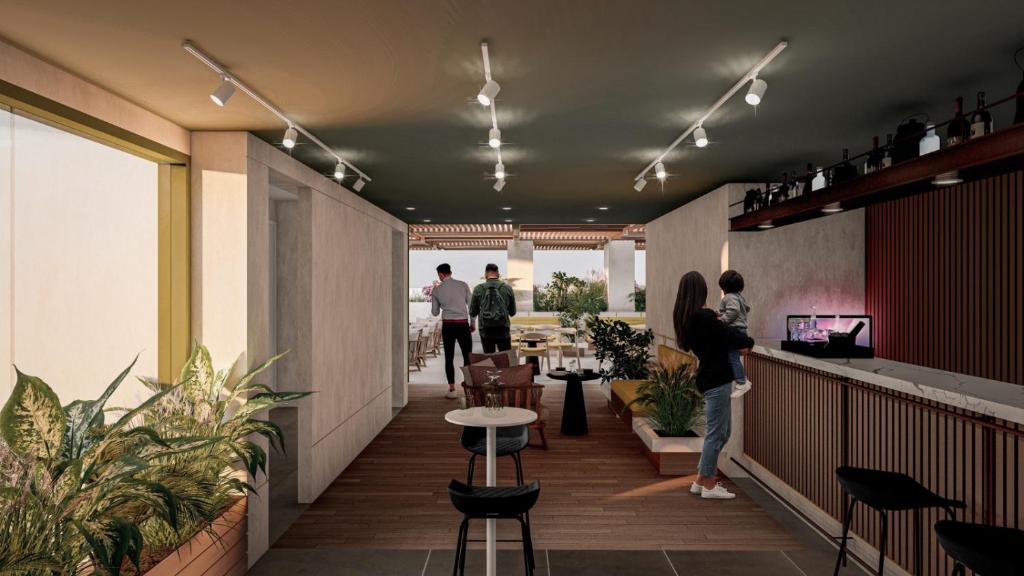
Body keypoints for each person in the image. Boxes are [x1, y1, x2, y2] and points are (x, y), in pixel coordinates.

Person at [673, 271, 753, 500]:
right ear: (702, 291)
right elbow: (731, 337)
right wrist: (749, 343)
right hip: (716, 379)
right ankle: (708, 484)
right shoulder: (704, 318)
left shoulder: (689, 318)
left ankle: (701, 480)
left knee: (722, 432)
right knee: (717, 434)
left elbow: (721, 336)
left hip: (711, 378)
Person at [430, 263, 473, 399]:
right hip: (462, 324)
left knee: (449, 357)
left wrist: (439, 302)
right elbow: (471, 306)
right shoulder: (463, 285)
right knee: (468, 356)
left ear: (440, 274)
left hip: (448, 326)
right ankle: (468, 387)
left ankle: (452, 389)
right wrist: (473, 323)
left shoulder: (437, 290)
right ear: (450, 272)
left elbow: (435, 313)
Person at [718, 270, 753, 398]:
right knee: (733, 357)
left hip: (735, 331)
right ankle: (742, 379)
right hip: (741, 331)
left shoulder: (729, 297)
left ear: (724, 287)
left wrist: (721, 320)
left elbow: (733, 312)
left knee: (733, 357)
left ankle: (741, 383)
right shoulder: (739, 297)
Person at [469, 263, 517, 353]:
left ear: (486, 274)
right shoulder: (507, 288)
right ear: (498, 274)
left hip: (485, 330)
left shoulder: (478, 289)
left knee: (489, 361)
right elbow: (512, 312)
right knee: (505, 361)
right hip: (503, 329)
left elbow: (472, 312)